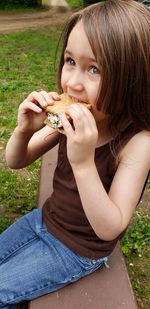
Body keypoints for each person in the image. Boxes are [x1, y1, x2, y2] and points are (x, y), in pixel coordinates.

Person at [0, 0, 150, 308]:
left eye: (94, 69)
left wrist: (83, 163)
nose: (72, 83)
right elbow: (16, 161)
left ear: (132, 77)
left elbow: (111, 226)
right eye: (70, 61)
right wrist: (25, 129)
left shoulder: (138, 144)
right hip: (44, 220)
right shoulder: (70, 119)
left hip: (77, 250)